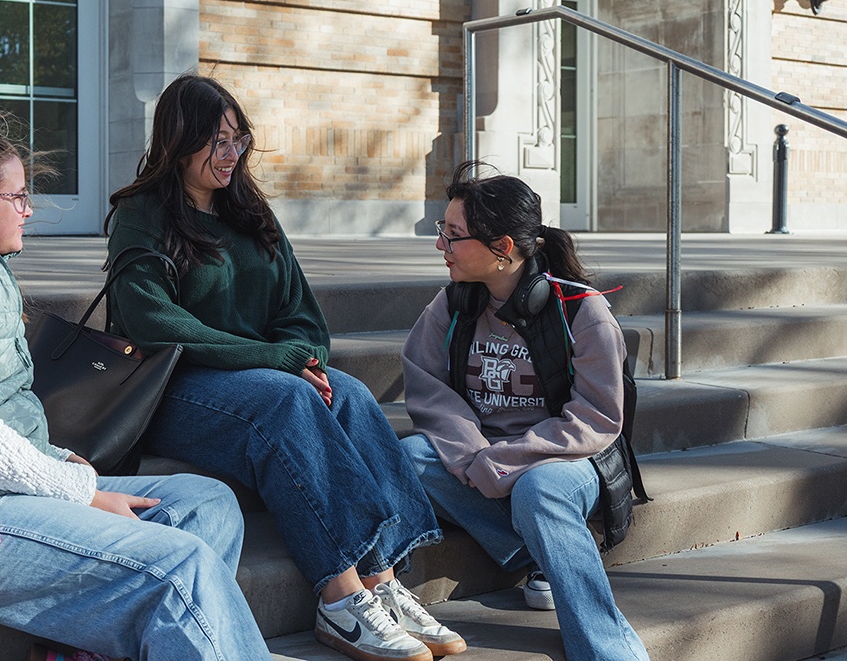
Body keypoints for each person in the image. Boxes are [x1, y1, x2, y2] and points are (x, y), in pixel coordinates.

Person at [0, 115, 271, 661]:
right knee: (180, 564)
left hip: (1, 487)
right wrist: (80, 490)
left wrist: (59, 458)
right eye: (16, 197)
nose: (29, 210)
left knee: (209, 502)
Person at [103, 73, 465, 661]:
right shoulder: (141, 215)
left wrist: (300, 358)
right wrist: (271, 359)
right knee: (286, 398)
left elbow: (301, 316)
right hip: (172, 388)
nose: (231, 155)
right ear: (178, 140)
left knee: (345, 394)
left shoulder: (249, 213)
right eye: (217, 142)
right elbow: (154, 323)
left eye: (237, 140)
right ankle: (341, 597)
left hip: (257, 380)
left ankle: (382, 582)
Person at [399, 161, 650, 661]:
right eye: (440, 232)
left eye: (452, 236)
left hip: (566, 462)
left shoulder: (581, 309)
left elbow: (597, 419)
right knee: (408, 457)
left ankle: (609, 650)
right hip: (482, 461)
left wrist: (508, 458)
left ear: (503, 249)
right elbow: (426, 388)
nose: (440, 246)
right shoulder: (451, 305)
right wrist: (474, 454)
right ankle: (536, 553)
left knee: (539, 489)